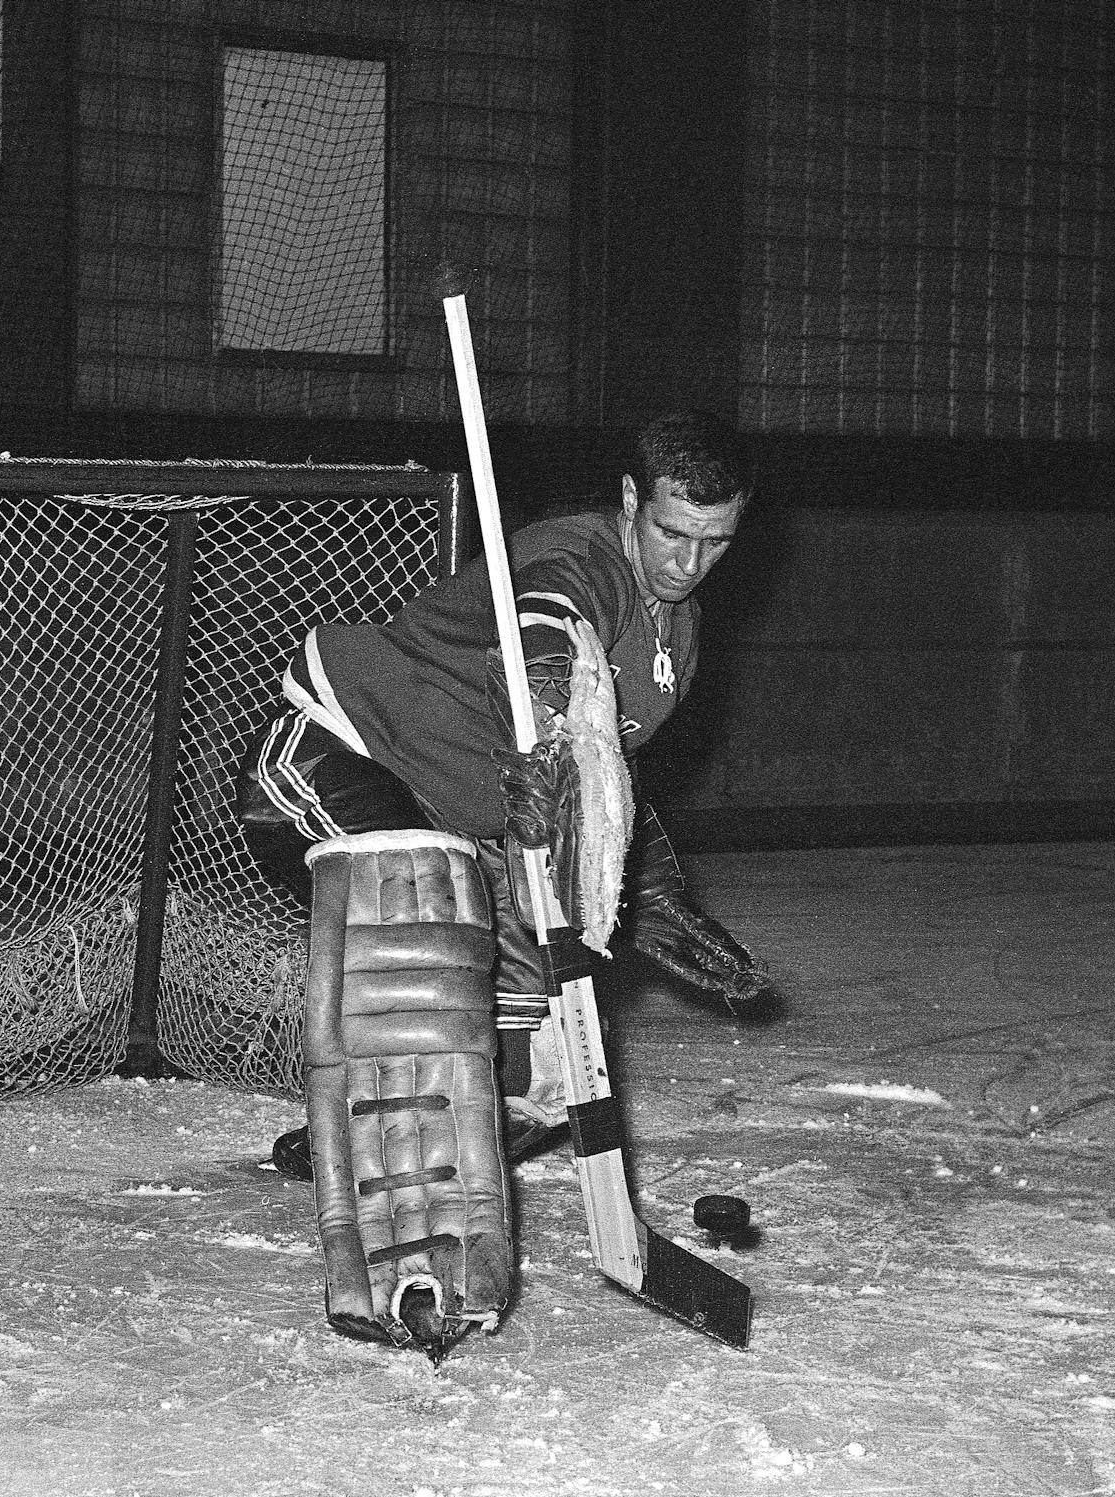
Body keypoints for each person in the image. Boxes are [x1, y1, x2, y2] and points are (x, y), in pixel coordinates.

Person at [230, 410, 771, 1353]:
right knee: (420, 964)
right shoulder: (579, 558)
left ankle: (413, 1133)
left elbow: (605, 787)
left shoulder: (677, 635)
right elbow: (546, 625)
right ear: (631, 502)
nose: (687, 563)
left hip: (460, 816)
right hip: (337, 752)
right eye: (671, 533)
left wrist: (648, 891)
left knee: (534, 1036)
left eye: (715, 544)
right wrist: (551, 707)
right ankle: (409, 1250)